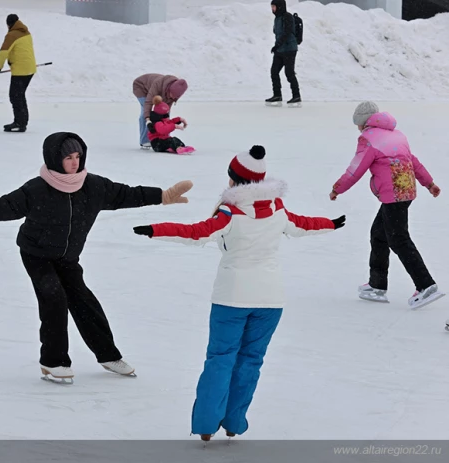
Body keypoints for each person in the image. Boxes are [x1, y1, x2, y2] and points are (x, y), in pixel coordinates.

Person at [0, 132, 193, 383]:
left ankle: (108, 356)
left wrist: (162, 196)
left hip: (67, 257)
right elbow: (4, 206)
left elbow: (127, 194)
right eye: (67, 157)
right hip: (36, 253)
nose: (74, 162)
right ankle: (53, 361)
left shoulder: (93, 186)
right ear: (53, 158)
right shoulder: (37, 189)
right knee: (53, 298)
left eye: (77, 156)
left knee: (84, 301)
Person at [133, 146, 344, 441]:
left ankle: (206, 425)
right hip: (270, 300)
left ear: (233, 179)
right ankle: (234, 422)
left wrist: (156, 228)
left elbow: (196, 233)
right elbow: (305, 225)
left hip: (231, 298)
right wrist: (331, 223)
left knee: (220, 359)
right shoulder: (278, 209)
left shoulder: (230, 212)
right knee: (250, 361)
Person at [330, 101, 444, 309]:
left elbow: (355, 169)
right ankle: (377, 285)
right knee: (379, 235)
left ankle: (425, 285)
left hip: (393, 195)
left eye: (357, 124)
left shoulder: (368, 139)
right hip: (405, 192)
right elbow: (414, 161)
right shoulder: (397, 135)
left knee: (398, 239)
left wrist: (338, 188)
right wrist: (429, 183)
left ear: (363, 123)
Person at [0, 14, 37, 133]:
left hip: (20, 71)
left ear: (9, 24)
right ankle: (22, 121)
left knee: (15, 96)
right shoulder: (26, 32)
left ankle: (20, 123)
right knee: (20, 96)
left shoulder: (11, 35)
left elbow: (3, 52)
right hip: (30, 69)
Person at [132, 73, 188, 149]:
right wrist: (148, 120)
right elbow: (148, 102)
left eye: (174, 97)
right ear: (169, 89)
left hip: (156, 90)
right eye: (171, 94)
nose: (172, 97)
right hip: (141, 87)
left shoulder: (175, 92)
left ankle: (164, 137)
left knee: (163, 113)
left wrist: (167, 130)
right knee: (145, 113)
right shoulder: (158, 85)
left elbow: (166, 111)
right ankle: (144, 141)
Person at [265, 0, 301, 105]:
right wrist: (277, 46)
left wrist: (277, 45)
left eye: (274, 7)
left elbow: (287, 32)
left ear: (280, 6)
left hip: (289, 49)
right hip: (280, 49)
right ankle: (277, 95)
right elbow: (277, 32)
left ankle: (296, 96)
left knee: (289, 73)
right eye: (272, 7)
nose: (272, 9)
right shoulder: (277, 18)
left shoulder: (287, 17)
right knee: (274, 71)